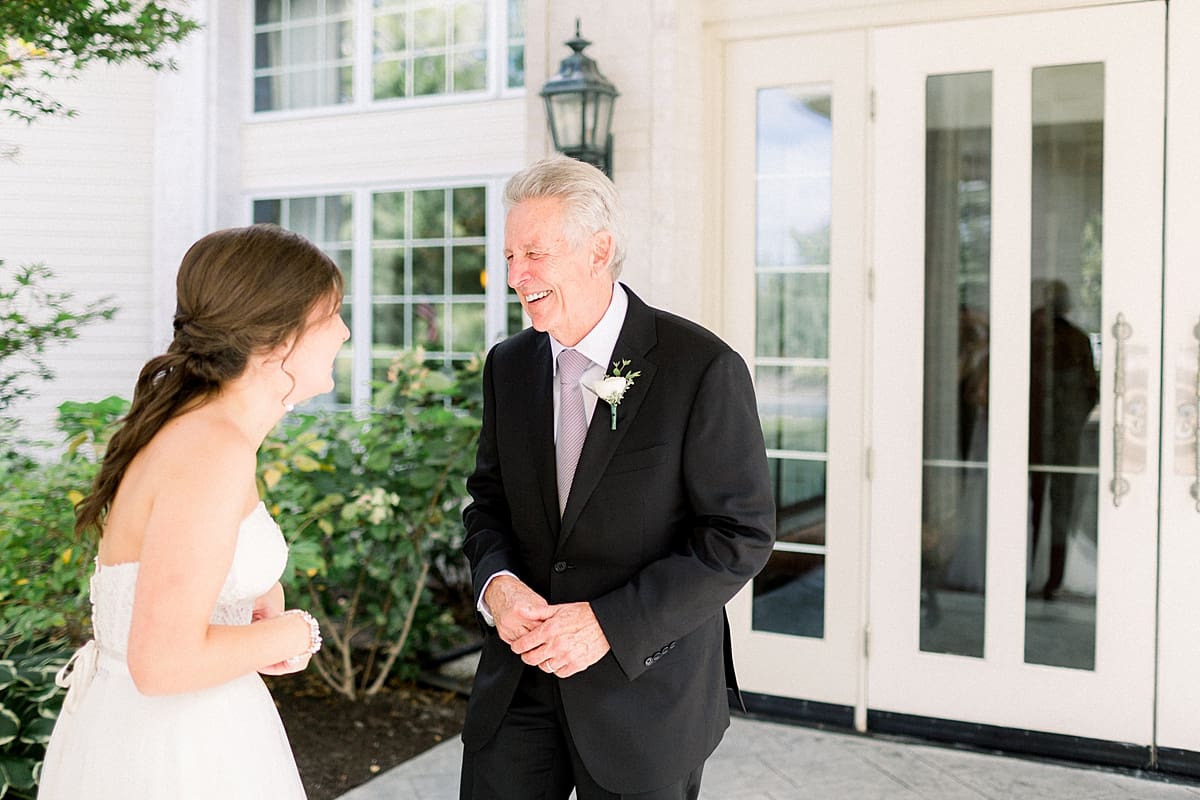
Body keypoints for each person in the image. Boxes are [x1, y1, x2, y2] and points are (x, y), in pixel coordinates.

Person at [459, 156, 776, 800]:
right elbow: (487, 504)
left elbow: (738, 535)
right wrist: (495, 586)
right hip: (520, 684)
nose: (516, 276)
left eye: (534, 254)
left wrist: (609, 623)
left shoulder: (701, 366)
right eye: (511, 255)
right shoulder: (509, 365)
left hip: (645, 693)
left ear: (598, 250)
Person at [38, 224, 348, 799]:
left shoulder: (210, 431)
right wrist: (293, 634)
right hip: (171, 752)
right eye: (332, 315)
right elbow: (162, 663)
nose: (345, 331)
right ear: (280, 338)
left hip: (186, 727)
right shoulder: (212, 449)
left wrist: (249, 598)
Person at [1027, 279, 1098, 600]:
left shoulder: (1037, 338)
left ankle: (1034, 573)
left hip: (1040, 435)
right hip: (1063, 436)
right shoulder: (1074, 339)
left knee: (1036, 504)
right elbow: (1090, 391)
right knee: (1059, 507)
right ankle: (1051, 580)